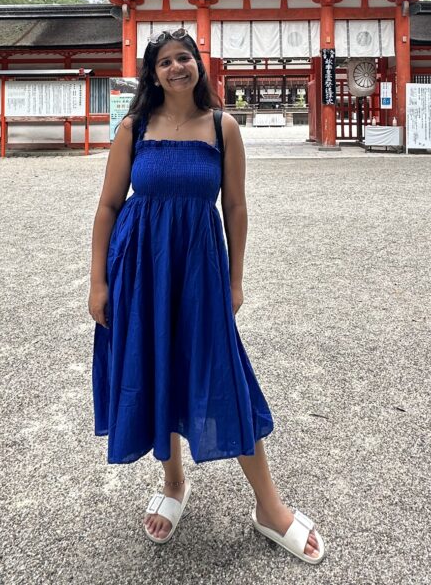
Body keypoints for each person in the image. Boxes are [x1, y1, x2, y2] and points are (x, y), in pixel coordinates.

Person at [88, 28, 324, 564]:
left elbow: (235, 208)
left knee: (223, 374)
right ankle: (174, 483)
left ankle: (270, 508)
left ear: (199, 65)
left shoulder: (224, 126)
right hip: (140, 267)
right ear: (152, 73)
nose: (177, 67)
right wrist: (98, 281)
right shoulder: (134, 127)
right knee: (153, 366)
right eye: (166, 61)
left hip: (199, 268)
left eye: (185, 58)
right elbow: (107, 206)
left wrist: (236, 280)